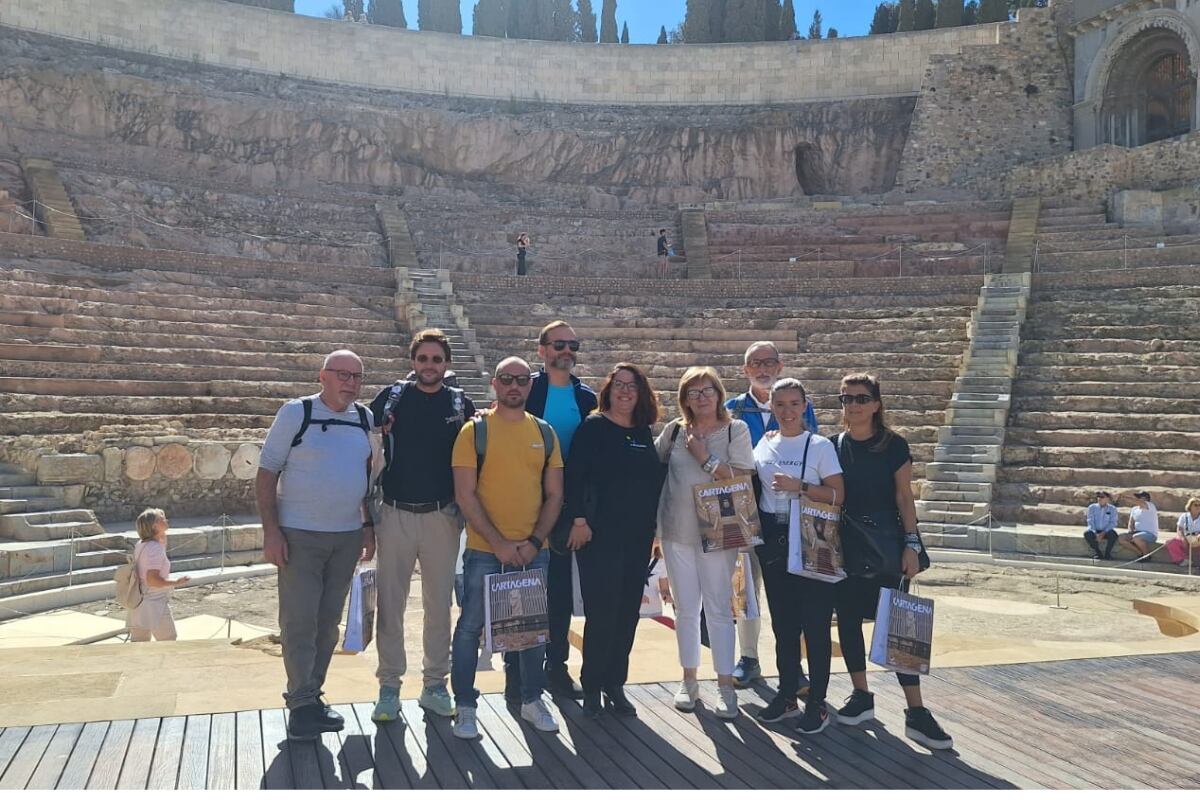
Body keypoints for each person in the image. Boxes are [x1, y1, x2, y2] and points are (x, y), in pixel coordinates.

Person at [828, 373, 953, 750]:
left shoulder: (894, 445)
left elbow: (904, 498)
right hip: (848, 543)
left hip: (886, 541)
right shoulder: (833, 445)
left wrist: (912, 544)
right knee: (848, 620)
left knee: (901, 623)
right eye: (846, 399)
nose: (853, 405)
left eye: (861, 398)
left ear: (877, 404)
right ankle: (861, 694)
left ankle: (916, 711)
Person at [258, 349, 376, 742]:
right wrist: (271, 532)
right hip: (300, 535)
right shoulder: (297, 413)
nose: (350, 382)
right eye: (342, 374)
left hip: (345, 536)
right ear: (321, 376)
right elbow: (266, 474)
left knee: (328, 625)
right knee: (298, 621)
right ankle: (301, 701)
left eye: (357, 376)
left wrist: (366, 526)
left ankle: (311, 697)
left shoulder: (364, 418)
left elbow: (363, 478)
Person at [450, 357, 565, 740]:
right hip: (486, 550)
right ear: (495, 384)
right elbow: (465, 494)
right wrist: (498, 543)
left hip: (534, 551)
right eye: (506, 379)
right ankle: (465, 705)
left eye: (521, 380)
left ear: (529, 386)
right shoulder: (474, 431)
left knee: (531, 631)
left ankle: (532, 700)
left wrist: (533, 542)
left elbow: (554, 494)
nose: (514, 385)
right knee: (470, 629)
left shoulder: (545, 433)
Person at [368, 329, 476, 723]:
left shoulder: (460, 402)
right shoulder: (391, 397)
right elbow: (367, 450)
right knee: (390, 605)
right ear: (413, 361)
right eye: (423, 359)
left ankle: (434, 685)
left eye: (436, 359)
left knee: (438, 606)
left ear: (446, 364)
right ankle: (389, 687)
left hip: (441, 516)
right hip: (394, 514)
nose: (429, 366)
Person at [565, 363, 664, 718]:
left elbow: (653, 484)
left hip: (637, 537)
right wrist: (578, 519)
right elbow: (574, 476)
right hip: (599, 536)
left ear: (641, 393)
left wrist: (654, 532)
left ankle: (615, 684)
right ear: (608, 390)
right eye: (619, 385)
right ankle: (592, 686)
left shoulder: (642, 430)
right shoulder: (593, 427)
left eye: (632, 386)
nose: (625, 391)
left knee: (627, 615)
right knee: (602, 613)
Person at [656, 366, 754, 720]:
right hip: (676, 530)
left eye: (708, 390)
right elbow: (654, 467)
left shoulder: (735, 430)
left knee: (717, 608)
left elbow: (743, 476)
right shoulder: (674, 431)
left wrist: (706, 458)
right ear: (684, 398)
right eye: (693, 392)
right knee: (684, 609)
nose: (701, 397)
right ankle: (689, 679)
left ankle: (725, 686)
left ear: (719, 392)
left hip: (718, 530)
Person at [724, 341, 818, 688]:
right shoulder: (731, 408)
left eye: (769, 362)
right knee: (746, 587)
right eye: (754, 364)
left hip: (789, 511)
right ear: (745, 370)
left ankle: (793, 664)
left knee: (790, 591)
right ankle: (748, 657)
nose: (762, 369)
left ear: (780, 366)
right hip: (745, 509)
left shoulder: (802, 407)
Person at [751, 379, 843, 726]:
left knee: (816, 624)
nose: (787, 411)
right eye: (780, 405)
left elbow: (838, 495)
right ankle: (787, 694)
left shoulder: (819, 445)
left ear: (805, 406)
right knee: (784, 625)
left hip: (810, 536)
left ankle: (817, 701)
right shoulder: (764, 442)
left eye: (793, 404)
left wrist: (799, 487)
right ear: (771, 408)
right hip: (773, 538)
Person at [516, 320, 597, 702]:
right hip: (526, 502)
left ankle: (556, 666)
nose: (566, 350)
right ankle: (517, 669)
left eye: (572, 344)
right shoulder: (528, 389)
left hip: (569, 506)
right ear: (542, 350)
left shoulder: (587, 398)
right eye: (559, 344)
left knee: (560, 591)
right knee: (524, 587)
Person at [127, 508, 190, 642]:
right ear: (154, 525)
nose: (166, 520)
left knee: (139, 644)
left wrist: (160, 530)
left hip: (139, 602)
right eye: (162, 519)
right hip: (155, 604)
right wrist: (176, 582)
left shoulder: (142, 544)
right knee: (168, 642)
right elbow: (153, 580)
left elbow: (161, 543)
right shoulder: (154, 549)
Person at [1121, 491, 1159, 558]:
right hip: (1137, 533)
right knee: (1121, 538)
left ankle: (1146, 555)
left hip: (1150, 534)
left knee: (1136, 538)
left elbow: (1138, 502)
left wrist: (1123, 497)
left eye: (1139, 497)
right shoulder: (1134, 509)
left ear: (1146, 499)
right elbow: (1131, 523)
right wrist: (1130, 532)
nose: (1137, 499)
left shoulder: (1150, 506)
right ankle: (1139, 553)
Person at [1083, 491, 1119, 560]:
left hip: (1106, 531)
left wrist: (1103, 533)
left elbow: (1113, 523)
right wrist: (1095, 533)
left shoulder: (1112, 509)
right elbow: (1090, 521)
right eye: (1098, 496)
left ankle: (1107, 554)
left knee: (1113, 535)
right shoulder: (1092, 507)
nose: (1099, 498)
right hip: (1095, 530)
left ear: (1107, 499)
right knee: (1087, 534)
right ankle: (1098, 553)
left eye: (1102, 497)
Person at [1167, 498, 1200, 566]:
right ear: (1190, 506)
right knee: (1171, 542)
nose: (1198, 507)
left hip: (1198, 539)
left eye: (1199, 505)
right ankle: (1183, 559)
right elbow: (1179, 528)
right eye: (1196, 505)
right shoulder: (1184, 516)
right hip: (1186, 537)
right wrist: (1182, 538)